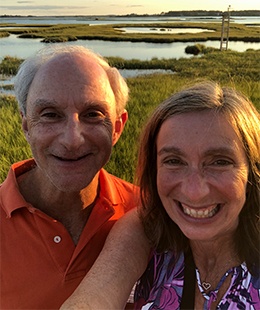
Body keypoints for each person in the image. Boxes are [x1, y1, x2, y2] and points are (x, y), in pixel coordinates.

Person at [61, 81, 260, 309]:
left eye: (220, 162)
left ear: (253, 171)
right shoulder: (147, 230)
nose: (194, 192)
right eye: (174, 161)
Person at [0, 45, 140, 309]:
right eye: (50, 115)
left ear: (117, 129)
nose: (72, 139)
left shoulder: (149, 214)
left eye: (93, 115)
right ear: (27, 126)